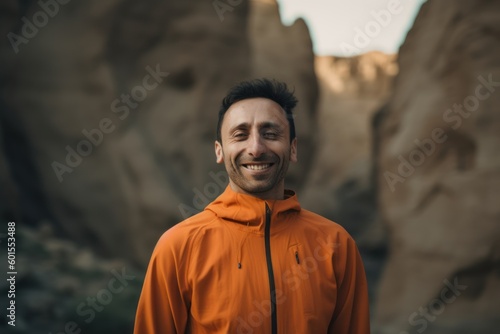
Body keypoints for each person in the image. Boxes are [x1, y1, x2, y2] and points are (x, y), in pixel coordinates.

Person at [134, 78, 370, 333]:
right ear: (219, 151)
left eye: (270, 134)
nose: (256, 148)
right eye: (240, 135)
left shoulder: (336, 245)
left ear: (292, 149)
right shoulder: (179, 246)